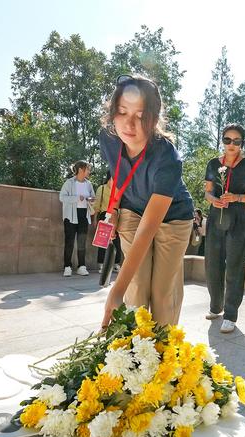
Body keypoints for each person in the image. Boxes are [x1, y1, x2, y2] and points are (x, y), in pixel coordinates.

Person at [100, 74, 194, 327]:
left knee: (162, 292)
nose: (129, 124)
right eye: (122, 112)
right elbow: (117, 173)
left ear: (154, 120)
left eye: (140, 116)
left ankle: (164, 346)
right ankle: (136, 346)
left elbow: (148, 228)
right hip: (132, 208)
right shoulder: (108, 138)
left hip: (173, 217)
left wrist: (115, 291)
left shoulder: (167, 157)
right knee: (136, 284)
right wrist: (113, 210)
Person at [204, 123, 245, 333]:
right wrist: (214, 200)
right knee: (212, 263)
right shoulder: (212, 164)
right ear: (222, 141)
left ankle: (230, 314)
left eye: (236, 141)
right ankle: (215, 306)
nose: (231, 144)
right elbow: (207, 192)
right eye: (227, 139)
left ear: (242, 143)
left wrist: (236, 197)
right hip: (216, 216)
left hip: (238, 218)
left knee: (235, 265)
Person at [59, 161, 95, 277]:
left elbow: (93, 197)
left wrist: (91, 199)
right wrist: (76, 198)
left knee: (81, 242)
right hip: (70, 215)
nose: (89, 171)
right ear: (80, 170)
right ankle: (67, 267)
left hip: (84, 215)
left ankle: (82, 266)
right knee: (69, 241)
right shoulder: (69, 182)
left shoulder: (88, 184)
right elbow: (62, 197)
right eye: (87, 169)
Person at [93, 171, 122, 274]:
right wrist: (95, 219)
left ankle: (116, 264)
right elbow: (97, 205)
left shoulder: (119, 189)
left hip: (116, 216)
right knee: (102, 241)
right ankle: (101, 264)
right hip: (104, 215)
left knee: (117, 241)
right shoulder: (101, 188)